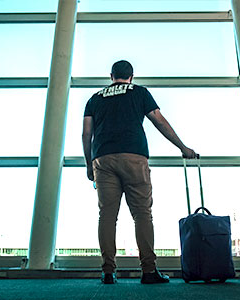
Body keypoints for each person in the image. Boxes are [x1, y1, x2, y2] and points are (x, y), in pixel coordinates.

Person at [82, 60, 197, 284]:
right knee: (142, 214)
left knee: (107, 215)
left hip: (103, 159)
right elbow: (159, 122)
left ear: (111, 75)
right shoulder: (140, 92)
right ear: (131, 76)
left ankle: (107, 271)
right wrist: (183, 147)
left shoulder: (94, 98)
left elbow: (86, 134)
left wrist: (89, 164)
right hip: (134, 156)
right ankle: (148, 270)